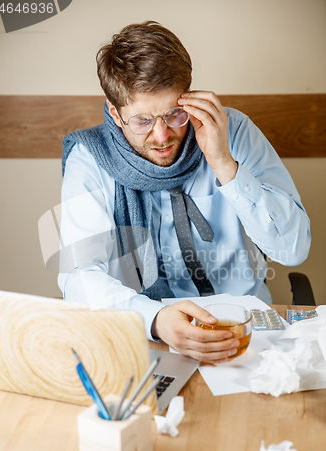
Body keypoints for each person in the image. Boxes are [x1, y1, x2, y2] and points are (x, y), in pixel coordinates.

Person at [59, 21, 310, 364]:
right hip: (143, 335)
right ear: (115, 113)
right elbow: (79, 278)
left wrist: (224, 164)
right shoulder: (89, 159)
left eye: (175, 113)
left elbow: (293, 248)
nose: (162, 136)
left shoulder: (233, 131)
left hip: (242, 332)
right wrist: (156, 320)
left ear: (189, 97)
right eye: (142, 120)